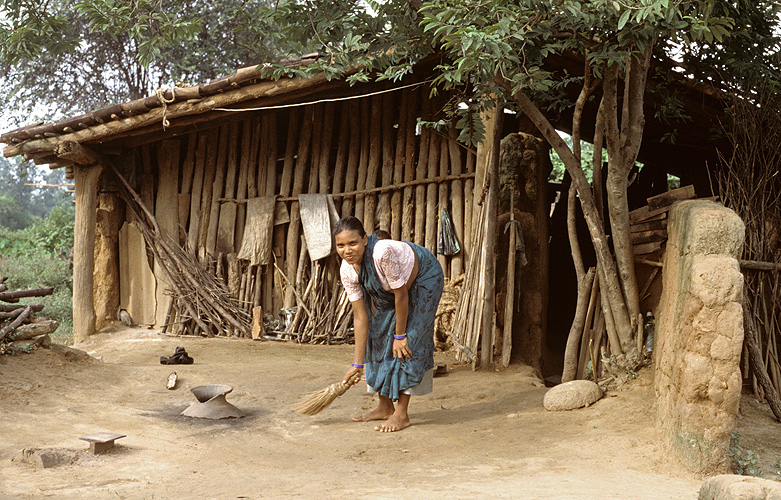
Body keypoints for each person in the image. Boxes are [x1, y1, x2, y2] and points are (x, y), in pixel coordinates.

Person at [335, 216, 444, 432]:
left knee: (410, 342)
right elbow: (361, 317)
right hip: (396, 290)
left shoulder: (381, 253)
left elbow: (401, 294)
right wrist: (357, 364)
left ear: (365, 240)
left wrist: (400, 335)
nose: (347, 250)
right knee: (377, 337)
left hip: (424, 277)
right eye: (340, 245)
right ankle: (384, 407)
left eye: (353, 243)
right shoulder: (347, 271)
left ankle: (401, 414)